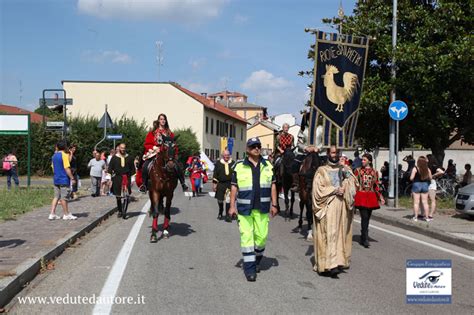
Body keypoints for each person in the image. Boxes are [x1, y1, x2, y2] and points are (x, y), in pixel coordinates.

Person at [229, 137, 278, 282]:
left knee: (261, 238)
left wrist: (274, 204)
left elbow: (273, 186)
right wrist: (232, 206)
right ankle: (249, 269)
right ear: (247, 149)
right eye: (253, 146)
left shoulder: (268, 165)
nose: (256, 148)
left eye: (258, 146)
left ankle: (256, 260)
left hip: (262, 208)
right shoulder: (238, 166)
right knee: (247, 238)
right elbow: (234, 187)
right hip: (244, 209)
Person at [312, 145, 357, 278]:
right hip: (328, 206)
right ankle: (327, 265)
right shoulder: (321, 170)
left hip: (341, 206)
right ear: (327, 153)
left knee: (339, 235)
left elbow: (353, 183)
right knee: (329, 234)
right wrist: (334, 190)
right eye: (332, 152)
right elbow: (317, 191)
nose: (335, 155)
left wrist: (346, 172)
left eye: (337, 152)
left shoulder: (343, 169)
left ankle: (337, 263)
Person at [139, 113, 188, 193]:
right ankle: (144, 185)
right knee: (145, 166)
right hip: (155, 152)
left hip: (167, 154)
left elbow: (174, 145)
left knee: (177, 166)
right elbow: (147, 144)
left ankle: (183, 183)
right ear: (158, 120)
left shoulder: (169, 133)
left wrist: (174, 153)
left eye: (164, 119)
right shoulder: (153, 132)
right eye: (161, 119)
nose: (163, 121)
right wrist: (154, 148)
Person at [354, 153, 384, 248]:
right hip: (361, 196)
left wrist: (381, 197)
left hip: (371, 196)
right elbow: (354, 184)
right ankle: (365, 238)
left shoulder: (374, 172)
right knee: (364, 217)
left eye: (364, 160)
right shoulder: (358, 171)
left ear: (369, 161)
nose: (362, 161)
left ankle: (364, 234)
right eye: (362, 160)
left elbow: (376, 185)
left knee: (368, 217)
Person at [49, 140, 77, 220]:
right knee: (64, 198)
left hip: (56, 178)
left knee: (56, 196)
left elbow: (53, 168)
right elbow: (66, 168)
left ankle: (52, 213)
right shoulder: (64, 155)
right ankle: (66, 214)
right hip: (64, 179)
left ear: (57, 147)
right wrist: (72, 178)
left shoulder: (54, 156)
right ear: (65, 147)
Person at [108, 143, 136, 219]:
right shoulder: (114, 157)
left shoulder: (129, 157)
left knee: (126, 195)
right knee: (118, 196)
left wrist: (133, 178)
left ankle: (124, 211)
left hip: (127, 177)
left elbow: (133, 169)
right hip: (117, 178)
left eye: (124, 148)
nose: (123, 149)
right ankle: (120, 210)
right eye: (121, 148)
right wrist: (109, 178)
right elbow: (110, 168)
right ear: (119, 148)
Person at [212, 150, 235, 222]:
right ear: (222, 155)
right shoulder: (218, 163)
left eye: (228, 155)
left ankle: (228, 215)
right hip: (221, 184)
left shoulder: (233, 163)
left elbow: (236, 174)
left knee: (228, 200)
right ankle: (220, 211)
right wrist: (214, 185)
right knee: (220, 200)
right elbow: (215, 174)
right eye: (225, 155)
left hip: (230, 184)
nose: (227, 156)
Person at [409, 156, 432, 222]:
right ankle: (427, 217)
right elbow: (430, 178)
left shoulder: (415, 168)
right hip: (425, 185)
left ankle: (415, 217)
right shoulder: (427, 169)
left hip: (416, 184)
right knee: (425, 202)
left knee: (416, 202)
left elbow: (411, 178)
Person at [426, 154, 445, 220]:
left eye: (427, 158)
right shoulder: (429, 166)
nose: (426, 159)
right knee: (428, 199)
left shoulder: (433, 166)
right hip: (428, 183)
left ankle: (429, 214)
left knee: (431, 199)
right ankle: (428, 214)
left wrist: (433, 175)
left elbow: (442, 172)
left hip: (430, 183)